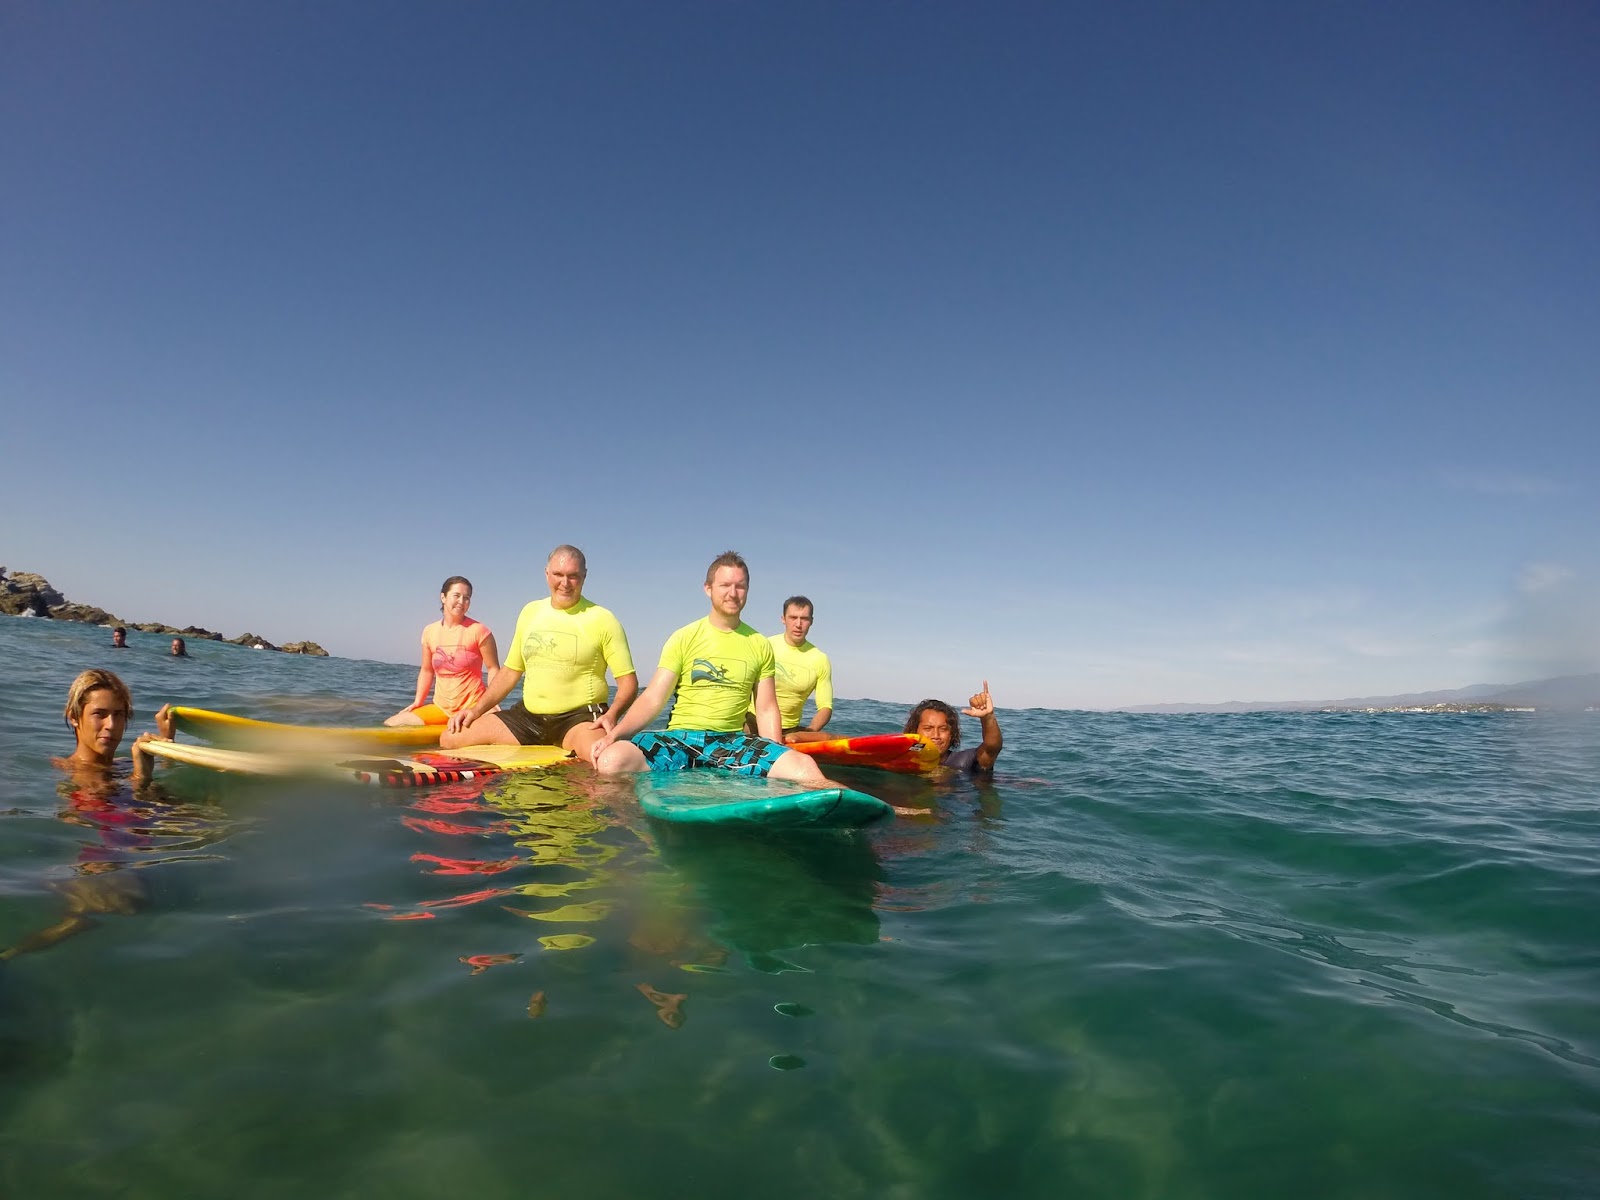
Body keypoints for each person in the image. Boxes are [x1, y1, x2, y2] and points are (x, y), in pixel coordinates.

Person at [589, 552, 836, 786]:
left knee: (804, 766)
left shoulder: (760, 644)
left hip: (731, 742)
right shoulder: (684, 637)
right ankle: (627, 822)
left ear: (747, 591)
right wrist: (616, 734)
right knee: (612, 761)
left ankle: (846, 803)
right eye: (725, 585)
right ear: (708, 588)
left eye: (740, 586)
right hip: (681, 739)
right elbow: (654, 698)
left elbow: (766, 707)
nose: (733, 593)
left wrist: (772, 753)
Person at [443, 546, 637, 762]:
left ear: (584, 576)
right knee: (450, 737)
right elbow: (510, 672)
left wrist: (612, 715)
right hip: (528, 718)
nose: (565, 583)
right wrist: (476, 710)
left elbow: (628, 682)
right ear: (547, 573)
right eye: (558, 574)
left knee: (607, 760)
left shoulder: (603, 619)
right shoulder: (530, 612)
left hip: (578, 720)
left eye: (573, 576)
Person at [385, 576, 500, 727]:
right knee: (392, 723)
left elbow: (493, 668)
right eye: (456, 596)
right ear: (443, 597)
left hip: (473, 709)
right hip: (441, 708)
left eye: (467, 598)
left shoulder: (480, 631)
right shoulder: (430, 631)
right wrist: (418, 702)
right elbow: (427, 670)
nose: (461, 601)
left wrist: (491, 702)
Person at [754, 594, 834, 743]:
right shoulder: (765, 646)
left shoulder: (819, 659)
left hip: (791, 733)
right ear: (783, 619)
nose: (798, 624)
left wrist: (810, 732)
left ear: (811, 622)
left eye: (804, 619)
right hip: (752, 724)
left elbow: (825, 707)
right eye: (793, 617)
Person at [904, 682, 1003, 773]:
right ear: (914, 731)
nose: (936, 735)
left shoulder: (964, 762)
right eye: (928, 728)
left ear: (952, 733)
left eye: (943, 729)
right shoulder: (901, 762)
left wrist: (987, 717)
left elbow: (991, 749)